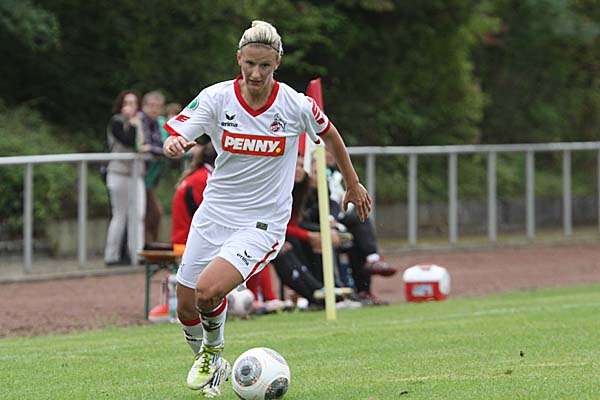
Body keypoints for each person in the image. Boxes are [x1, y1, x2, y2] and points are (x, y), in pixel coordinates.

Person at [162, 20, 371, 397]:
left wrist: (353, 184)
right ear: (238, 59)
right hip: (214, 215)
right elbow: (180, 134)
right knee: (186, 306)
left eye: (264, 66)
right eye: (249, 64)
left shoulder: (294, 104)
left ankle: (212, 352)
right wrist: (175, 144)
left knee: (208, 292)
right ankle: (214, 365)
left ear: (277, 63)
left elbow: (330, 134)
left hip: (261, 224)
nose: (256, 73)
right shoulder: (217, 98)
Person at [104, 90, 150, 266]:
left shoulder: (139, 122)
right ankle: (112, 255)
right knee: (120, 215)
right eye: (126, 103)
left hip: (136, 173)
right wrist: (131, 124)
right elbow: (128, 140)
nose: (130, 107)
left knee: (138, 214)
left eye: (133, 103)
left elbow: (142, 143)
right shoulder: (116, 122)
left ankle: (137, 254)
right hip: (118, 173)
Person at [140, 90, 167, 245]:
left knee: (152, 213)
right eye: (151, 105)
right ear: (144, 106)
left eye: (158, 106)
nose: (154, 109)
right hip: (139, 174)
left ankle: (150, 244)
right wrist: (153, 148)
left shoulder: (160, 123)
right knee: (153, 212)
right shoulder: (140, 121)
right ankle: (147, 245)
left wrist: (151, 148)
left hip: (152, 177)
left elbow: (163, 146)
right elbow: (143, 145)